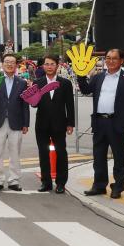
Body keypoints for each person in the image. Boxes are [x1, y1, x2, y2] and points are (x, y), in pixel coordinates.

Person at [77, 49, 124, 199]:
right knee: (99, 156)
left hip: (118, 123)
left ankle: (118, 186)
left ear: (121, 60)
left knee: (119, 157)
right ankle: (99, 185)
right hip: (99, 122)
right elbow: (86, 90)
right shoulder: (98, 77)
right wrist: (80, 73)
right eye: (107, 58)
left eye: (114, 58)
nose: (110, 61)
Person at [0, 53, 30, 192]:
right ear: (2, 64)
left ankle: (13, 180)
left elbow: (24, 104)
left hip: (16, 122)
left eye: (12, 62)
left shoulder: (21, 82)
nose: (10, 64)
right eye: (7, 62)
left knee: (15, 152)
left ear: (16, 65)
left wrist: (26, 123)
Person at [33, 54, 75, 193]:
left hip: (59, 124)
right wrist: (31, 97)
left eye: (52, 64)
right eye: (46, 64)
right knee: (43, 153)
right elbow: (34, 105)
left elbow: (70, 105)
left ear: (57, 65)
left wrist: (70, 123)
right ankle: (46, 183)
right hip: (42, 124)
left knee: (61, 153)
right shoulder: (37, 83)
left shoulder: (65, 83)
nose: (49, 67)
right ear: (43, 66)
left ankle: (61, 183)